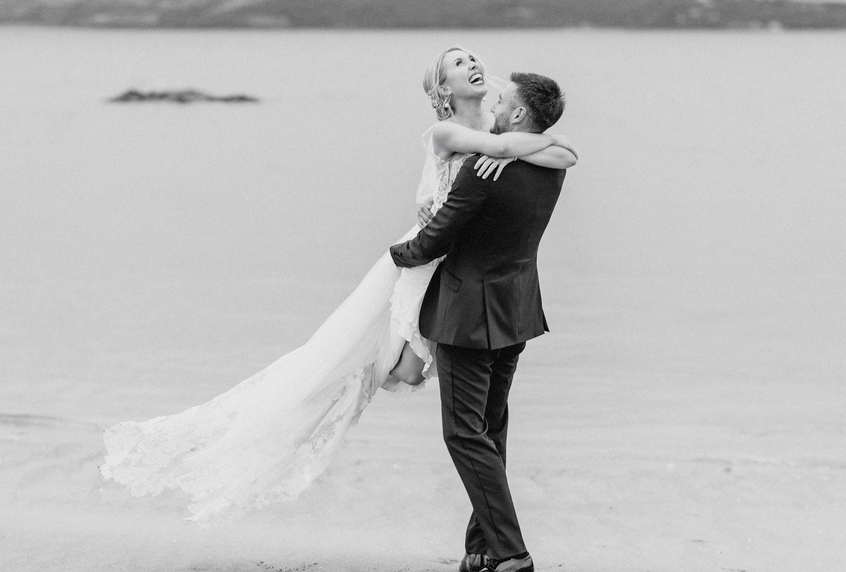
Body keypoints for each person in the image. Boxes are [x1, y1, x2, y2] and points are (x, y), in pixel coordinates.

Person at [100, 49, 577, 526]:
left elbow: (565, 152)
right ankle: (324, 395)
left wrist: (517, 143)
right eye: (456, 63)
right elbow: (527, 153)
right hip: (424, 258)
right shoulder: (448, 133)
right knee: (370, 365)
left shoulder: (497, 137)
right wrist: (520, 145)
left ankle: (484, 537)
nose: (472, 63)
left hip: (456, 269)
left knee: (420, 382)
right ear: (443, 89)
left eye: (472, 57)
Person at [390, 71, 569, 572]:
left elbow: (435, 240)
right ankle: (482, 550)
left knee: (463, 433)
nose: (495, 103)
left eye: (504, 102)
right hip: (516, 311)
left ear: (515, 116)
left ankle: (512, 555)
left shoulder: (483, 170)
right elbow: (558, 149)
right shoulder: (551, 167)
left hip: (468, 317)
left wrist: (396, 256)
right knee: (489, 430)